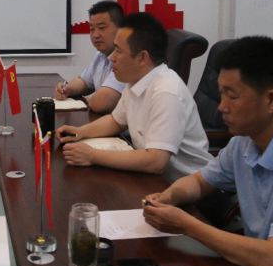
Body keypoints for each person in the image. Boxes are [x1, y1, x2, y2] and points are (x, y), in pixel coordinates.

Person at [143, 36, 273, 266]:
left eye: (232, 96)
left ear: (271, 99)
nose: (222, 107)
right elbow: (200, 182)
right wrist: (169, 197)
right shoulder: (245, 140)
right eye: (221, 94)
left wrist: (187, 225)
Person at [56, 12, 212, 182]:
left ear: (142, 58)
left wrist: (92, 155)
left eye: (118, 50)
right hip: (152, 180)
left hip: (189, 187)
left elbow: (156, 161)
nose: (112, 58)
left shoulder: (166, 91)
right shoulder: (135, 81)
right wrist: (79, 132)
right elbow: (116, 121)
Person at [55, 0, 126, 113]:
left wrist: (89, 101)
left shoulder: (126, 59)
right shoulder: (100, 56)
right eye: (92, 29)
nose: (95, 35)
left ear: (120, 29)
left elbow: (100, 103)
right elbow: (84, 82)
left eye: (102, 28)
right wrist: (67, 89)